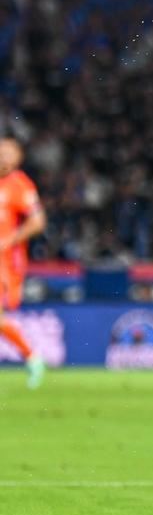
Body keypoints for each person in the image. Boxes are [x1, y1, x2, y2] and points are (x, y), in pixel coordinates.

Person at [0, 138, 47, 389]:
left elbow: (38, 222)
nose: (4, 157)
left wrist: (10, 239)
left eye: (9, 153)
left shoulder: (20, 185)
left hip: (6, 264)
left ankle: (32, 357)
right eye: (1, 152)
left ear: (18, 159)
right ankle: (32, 357)